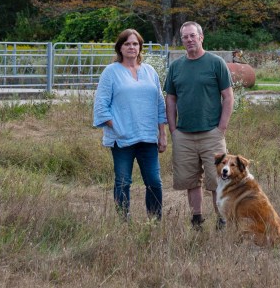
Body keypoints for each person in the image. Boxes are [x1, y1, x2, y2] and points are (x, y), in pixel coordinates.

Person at [165, 21, 234, 230]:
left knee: (217, 180)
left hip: (211, 134)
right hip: (184, 135)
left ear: (201, 37)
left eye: (192, 36)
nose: (189, 40)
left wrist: (221, 128)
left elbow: (228, 97)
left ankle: (222, 220)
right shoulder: (176, 66)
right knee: (190, 180)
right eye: (185, 37)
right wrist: (173, 130)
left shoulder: (215, 63)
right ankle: (196, 219)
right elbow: (170, 99)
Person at [93, 29, 168, 220]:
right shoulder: (111, 72)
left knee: (154, 182)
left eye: (135, 44)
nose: (131, 47)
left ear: (140, 47)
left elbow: (160, 103)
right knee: (123, 182)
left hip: (148, 138)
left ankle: (154, 221)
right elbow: (101, 106)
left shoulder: (150, 71)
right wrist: (117, 127)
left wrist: (163, 133)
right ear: (120, 47)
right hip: (122, 139)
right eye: (127, 44)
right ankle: (123, 221)